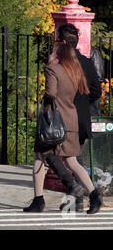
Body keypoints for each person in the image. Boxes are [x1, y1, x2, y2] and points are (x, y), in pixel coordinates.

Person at [24, 39, 103, 214]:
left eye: (52, 52)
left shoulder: (53, 69)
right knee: (72, 161)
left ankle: (41, 199)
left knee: (40, 155)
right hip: (71, 119)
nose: (50, 54)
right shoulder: (74, 71)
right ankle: (95, 195)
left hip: (55, 122)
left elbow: (51, 93)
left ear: (58, 55)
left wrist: (45, 98)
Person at [56, 24, 102, 212]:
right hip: (82, 116)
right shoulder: (86, 62)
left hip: (65, 116)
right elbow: (97, 91)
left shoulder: (62, 63)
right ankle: (79, 199)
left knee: (55, 156)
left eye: (58, 39)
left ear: (64, 41)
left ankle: (86, 197)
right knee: (75, 158)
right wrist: (83, 103)